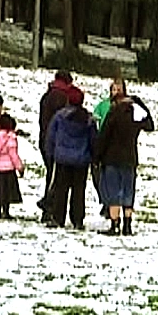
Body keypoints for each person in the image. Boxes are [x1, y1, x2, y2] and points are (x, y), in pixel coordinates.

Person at [93, 78, 155, 236]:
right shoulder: (135, 114)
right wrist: (139, 104)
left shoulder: (113, 113)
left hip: (112, 158)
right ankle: (127, 225)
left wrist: (96, 157)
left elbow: (104, 136)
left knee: (114, 191)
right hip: (130, 157)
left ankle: (115, 225)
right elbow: (150, 125)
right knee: (128, 191)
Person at [45, 86, 97, 230]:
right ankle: (77, 219)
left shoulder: (60, 116)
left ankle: (58, 217)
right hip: (81, 160)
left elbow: (51, 135)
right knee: (78, 191)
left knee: (61, 189)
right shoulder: (88, 119)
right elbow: (93, 139)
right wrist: (94, 156)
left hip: (62, 158)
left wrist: (50, 152)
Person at [38, 70, 74, 221]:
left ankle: (48, 207)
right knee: (55, 177)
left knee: (51, 174)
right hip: (55, 142)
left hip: (44, 139)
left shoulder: (47, 95)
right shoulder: (62, 97)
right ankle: (49, 206)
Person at [0, 113, 25, 219]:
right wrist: (20, 167)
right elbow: (13, 155)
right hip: (8, 169)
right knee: (7, 192)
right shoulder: (10, 138)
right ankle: (6, 211)